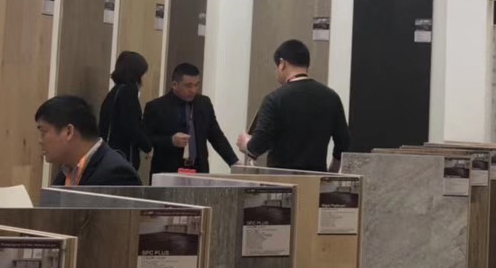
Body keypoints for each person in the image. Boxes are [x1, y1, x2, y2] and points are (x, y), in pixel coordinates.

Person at [236, 40, 350, 172]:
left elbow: (257, 146)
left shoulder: (274, 99)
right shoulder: (332, 98)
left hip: (281, 180)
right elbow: (344, 143)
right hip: (316, 179)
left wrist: (246, 144)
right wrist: (331, 174)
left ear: (282, 64)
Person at [143, 63, 238, 173]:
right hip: (168, 171)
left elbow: (216, 136)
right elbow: (145, 139)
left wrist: (234, 162)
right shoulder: (156, 107)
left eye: (197, 85)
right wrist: (170, 140)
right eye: (188, 86)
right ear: (174, 85)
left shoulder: (204, 103)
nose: (193, 90)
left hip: (199, 170)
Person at [36, 95, 141, 187]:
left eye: (43, 132)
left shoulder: (117, 175)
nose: (40, 141)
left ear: (69, 132)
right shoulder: (66, 173)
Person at [99, 50, 153, 170]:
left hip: (109, 154)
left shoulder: (115, 91)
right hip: (123, 155)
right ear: (137, 73)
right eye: (144, 73)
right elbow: (131, 125)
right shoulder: (128, 92)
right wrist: (147, 146)